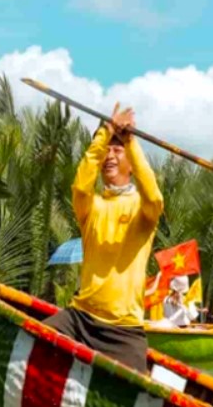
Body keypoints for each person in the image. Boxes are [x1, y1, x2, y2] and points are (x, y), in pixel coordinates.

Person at [41, 103, 163, 372]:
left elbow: (153, 194)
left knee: (134, 396)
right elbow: (81, 184)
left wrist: (129, 140)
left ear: (130, 162)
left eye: (117, 150)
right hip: (79, 317)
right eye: (107, 149)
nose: (109, 155)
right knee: (33, 343)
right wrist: (105, 132)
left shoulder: (145, 209)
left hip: (123, 329)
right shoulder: (91, 205)